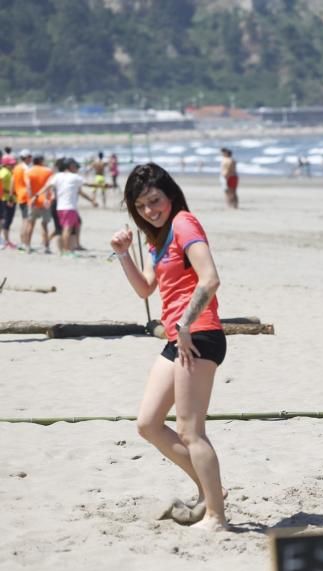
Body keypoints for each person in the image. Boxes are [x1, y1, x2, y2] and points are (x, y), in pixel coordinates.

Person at [110, 163, 228, 531]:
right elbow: (146, 288)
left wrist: (186, 323)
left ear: (170, 196)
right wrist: (124, 253)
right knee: (148, 423)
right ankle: (210, 492)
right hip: (179, 337)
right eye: (141, 206)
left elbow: (210, 279)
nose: (149, 211)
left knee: (191, 430)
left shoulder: (184, 223)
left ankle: (216, 517)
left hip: (199, 334)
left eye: (155, 201)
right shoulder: (158, 238)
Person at [34, 157, 97, 255]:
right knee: (62, 229)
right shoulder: (67, 177)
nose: (77, 168)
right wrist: (102, 185)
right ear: (69, 166)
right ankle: (62, 248)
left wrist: (37, 195)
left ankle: (70, 246)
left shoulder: (59, 176)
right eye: (75, 166)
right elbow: (87, 185)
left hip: (61, 206)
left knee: (71, 226)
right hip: (62, 205)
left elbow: (48, 187)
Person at [23, 155, 54, 253]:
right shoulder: (48, 171)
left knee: (30, 224)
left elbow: (28, 187)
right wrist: (48, 199)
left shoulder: (28, 171)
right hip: (45, 201)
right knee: (44, 225)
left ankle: (27, 246)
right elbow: (50, 186)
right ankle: (46, 247)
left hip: (33, 201)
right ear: (41, 161)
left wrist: (31, 198)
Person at [12, 149, 31, 249]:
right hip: (26, 196)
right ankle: (25, 243)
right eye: (30, 157)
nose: (31, 159)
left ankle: (22, 242)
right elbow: (28, 183)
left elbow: (12, 181)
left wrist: (12, 195)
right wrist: (32, 196)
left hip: (19, 195)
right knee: (26, 221)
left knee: (24, 220)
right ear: (27, 158)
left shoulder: (16, 168)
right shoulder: (26, 168)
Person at [0, 154, 15, 249]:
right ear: (5, 164)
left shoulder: (6, 171)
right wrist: (9, 196)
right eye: (11, 164)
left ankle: (6, 240)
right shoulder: (5, 172)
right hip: (6, 199)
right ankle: (6, 241)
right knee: (6, 221)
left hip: (5, 198)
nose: (13, 165)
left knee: (4, 220)